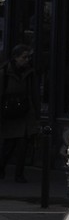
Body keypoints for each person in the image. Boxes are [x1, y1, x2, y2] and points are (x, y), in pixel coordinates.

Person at [0, 45, 40, 183]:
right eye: (24, 57)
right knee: (9, 145)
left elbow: (34, 94)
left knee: (23, 145)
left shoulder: (30, 73)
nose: (27, 60)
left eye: (28, 57)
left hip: (25, 112)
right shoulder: (4, 72)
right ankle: (2, 169)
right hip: (9, 112)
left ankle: (19, 174)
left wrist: (37, 114)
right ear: (15, 58)